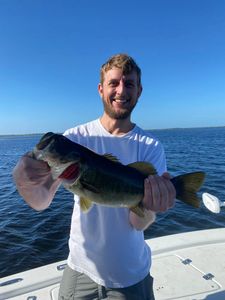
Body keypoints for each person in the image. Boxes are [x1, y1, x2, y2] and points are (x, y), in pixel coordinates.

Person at [13, 53, 176, 300]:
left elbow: (137, 223)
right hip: (79, 267)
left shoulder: (150, 146)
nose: (121, 90)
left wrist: (150, 208)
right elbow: (40, 202)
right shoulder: (75, 138)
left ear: (139, 91)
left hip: (129, 274)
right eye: (114, 83)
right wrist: (23, 179)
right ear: (101, 89)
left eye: (129, 83)